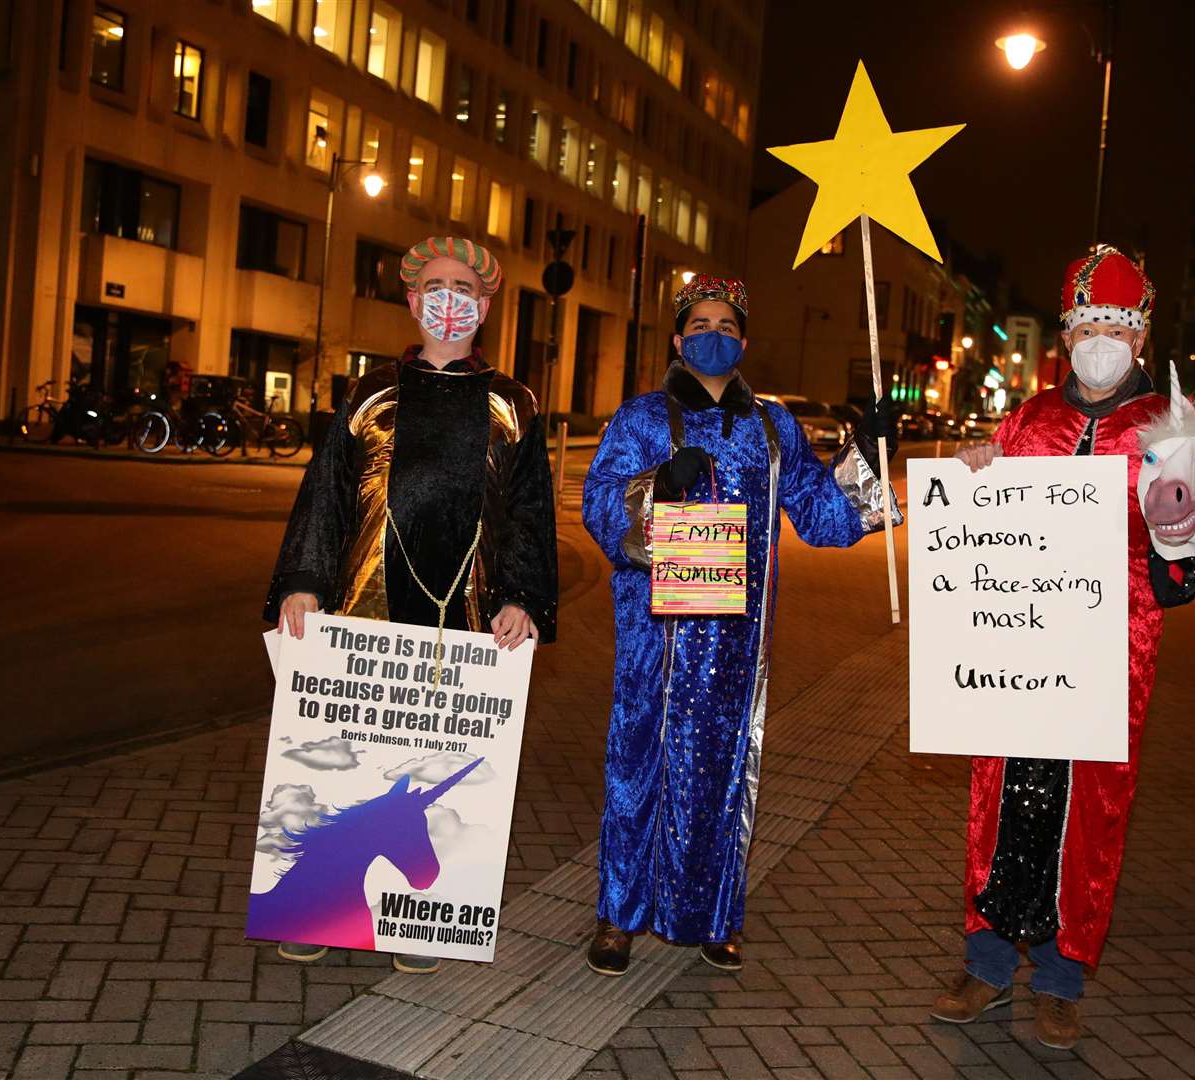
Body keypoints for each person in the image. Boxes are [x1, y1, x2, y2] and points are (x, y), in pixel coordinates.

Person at [929, 246, 1195, 1048]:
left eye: (1116, 325)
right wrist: (975, 472)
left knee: (1088, 819)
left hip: (1108, 664)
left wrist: (1183, 539)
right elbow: (983, 526)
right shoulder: (1029, 420)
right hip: (1017, 658)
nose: (1100, 338)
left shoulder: (1167, 427)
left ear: (1139, 338)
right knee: (999, 806)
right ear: (1067, 336)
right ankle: (987, 964)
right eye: (1087, 324)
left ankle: (1062, 980)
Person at [580, 276, 900, 977]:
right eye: (698, 324)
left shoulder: (773, 426)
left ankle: (713, 916)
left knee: (726, 775)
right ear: (676, 337)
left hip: (737, 644)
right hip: (656, 640)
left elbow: (821, 516)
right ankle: (618, 917)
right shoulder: (638, 420)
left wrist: (869, 457)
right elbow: (600, 507)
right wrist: (656, 485)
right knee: (641, 769)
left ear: (744, 339)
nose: (711, 334)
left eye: (725, 324)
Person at [262, 235, 558, 974]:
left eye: (465, 287)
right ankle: (316, 909)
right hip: (365, 605)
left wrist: (522, 595)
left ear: (485, 306)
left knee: (432, 767)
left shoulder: (513, 403)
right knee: (349, 759)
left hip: (466, 608)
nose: (449, 297)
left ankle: (420, 920)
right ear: (411, 298)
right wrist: (303, 578)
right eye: (435, 284)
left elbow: (528, 509)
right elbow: (326, 493)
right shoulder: (370, 395)